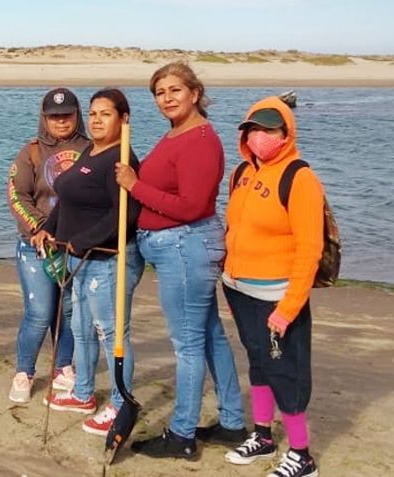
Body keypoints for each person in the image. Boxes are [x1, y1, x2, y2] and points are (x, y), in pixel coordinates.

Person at [116, 62, 245, 458]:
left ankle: (182, 435)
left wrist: (135, 187)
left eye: (175, 90)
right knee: (209, 335)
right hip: (173, 246)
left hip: (185, 246)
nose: (167, 98)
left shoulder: (201, 140)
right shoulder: (177, 134)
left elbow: (190, 206)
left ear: (194, 92)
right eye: (159, 92)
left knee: (187, 344)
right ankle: (233, 422)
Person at [221, 96, 323, 477]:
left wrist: (288, 308)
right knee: (259, 364)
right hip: (240, 289)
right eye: (254, 130)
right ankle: (262, 435)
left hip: (277, 297)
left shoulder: (300, 178)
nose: (261, 137)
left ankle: (302, 455)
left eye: (270, 130)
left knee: (287, 373)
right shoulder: (241, 174)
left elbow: (310, 249)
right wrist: (229, 283)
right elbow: (234, 229)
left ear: (286, 133)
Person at [35, 88, 144, 437]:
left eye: (106, 114)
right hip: (76, 258)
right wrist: (47, 228)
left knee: (111, 332)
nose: (97, 120)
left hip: (107, 260)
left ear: (123, 119)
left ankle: (119, 403)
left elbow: (124, 216)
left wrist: (84, 241)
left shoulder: (121, 158)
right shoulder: (89, 150)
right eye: (93, 113)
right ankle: (83, 392)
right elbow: (66, 199)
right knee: (80, 329)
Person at [6, 87, 90, 404]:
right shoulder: (31, 152)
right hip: (36, 246)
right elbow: (17, 195)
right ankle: (24, 372)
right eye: (54, 116)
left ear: (76, 115)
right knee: (40, 313)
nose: (61, 121)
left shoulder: (91, 149)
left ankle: (63, 367)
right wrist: (38, 227)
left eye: (67, 114)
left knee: (68, 313)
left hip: (75, 247)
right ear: (44, 118)